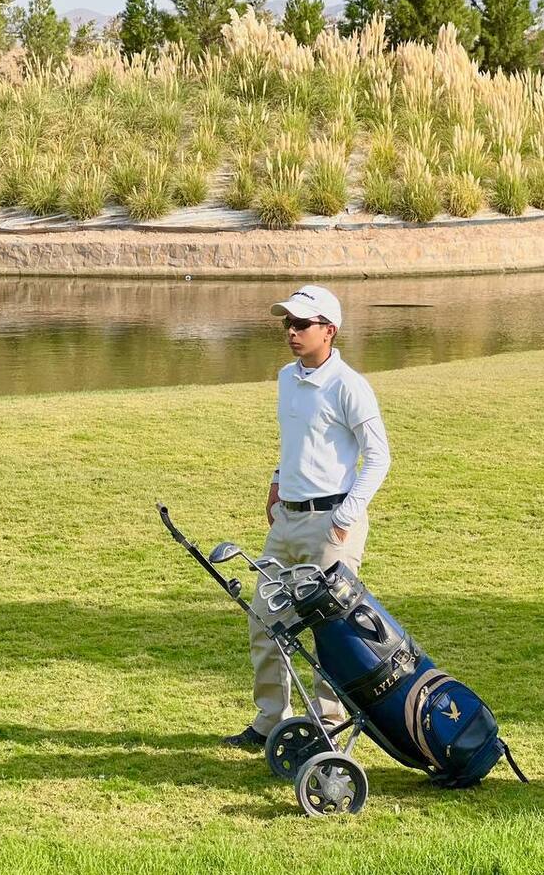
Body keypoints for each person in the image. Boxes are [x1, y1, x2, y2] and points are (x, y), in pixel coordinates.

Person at [223, 285, 391, 749]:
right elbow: (294, 444)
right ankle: (269, 720)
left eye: (302, 324)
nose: (292, 332)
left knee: (331, 631)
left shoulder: (349, 385)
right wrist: (277, 484)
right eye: (287, 324)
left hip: (332, 522)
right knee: (264, 619)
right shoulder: (285, 378)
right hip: (288, 520)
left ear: (329, 331)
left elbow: (379, 457)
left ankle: (328, 725)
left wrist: (345, 517)